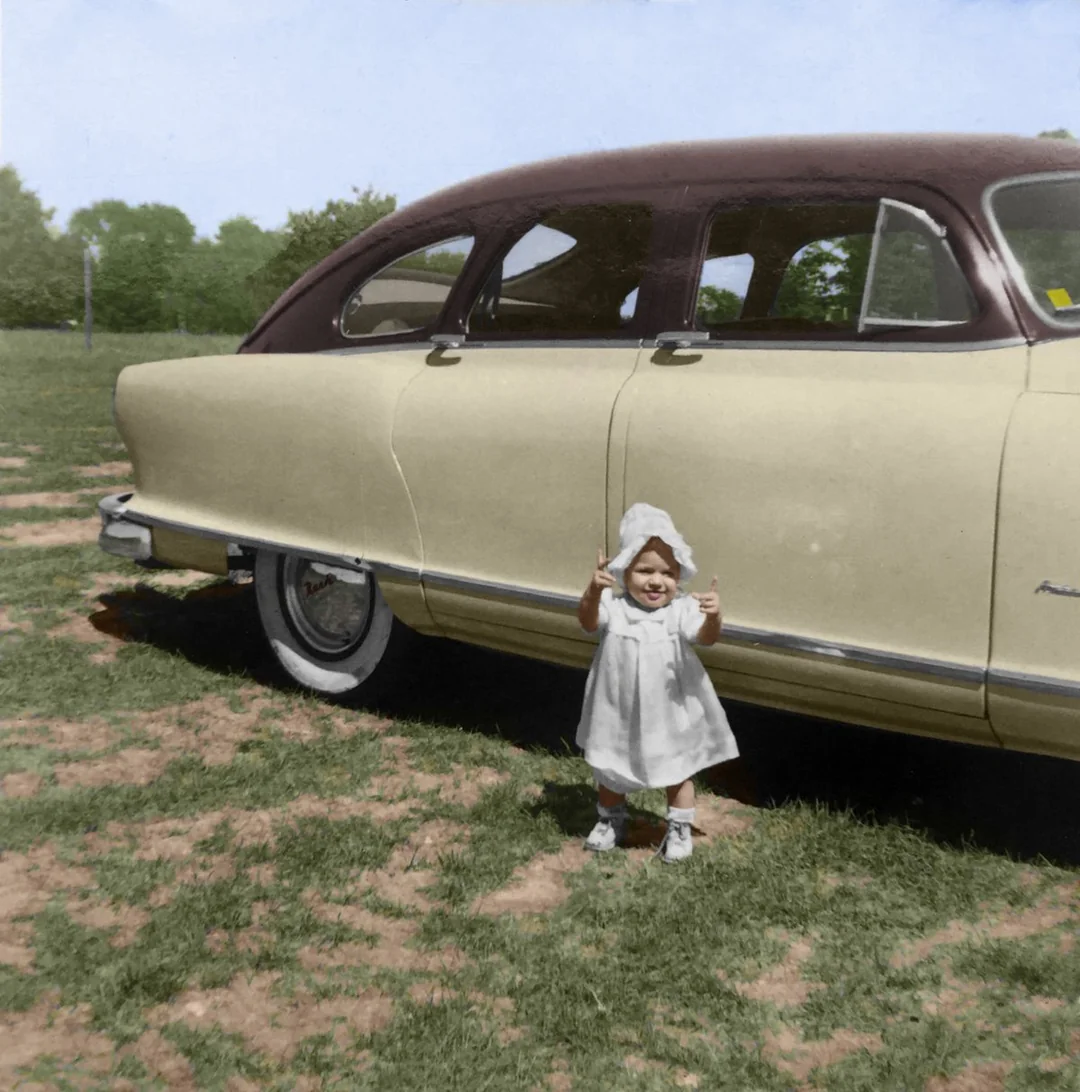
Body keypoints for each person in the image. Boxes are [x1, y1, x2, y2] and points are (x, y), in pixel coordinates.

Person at [576, 503, 739, 863]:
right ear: (623, 571)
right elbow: (588, 622)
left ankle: (679, 828)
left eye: (667, 573)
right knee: (610, 763)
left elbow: (705, 638)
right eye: (644, 570)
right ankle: (611, 820)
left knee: (677, 767)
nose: (656, 580)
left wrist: (715, 617)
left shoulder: (680, 610)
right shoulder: (615, 607)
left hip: (668, 707)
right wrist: (591, 592)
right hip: (618, 706)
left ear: (679, 576)